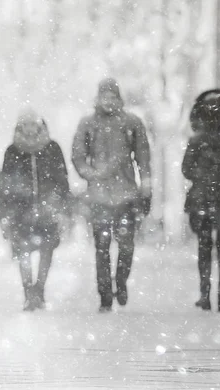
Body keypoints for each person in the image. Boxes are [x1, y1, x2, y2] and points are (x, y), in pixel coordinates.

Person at [71, 78, 151, 313]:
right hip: (99, 196)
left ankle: (122, 281)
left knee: (126, 245)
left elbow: (143, 156)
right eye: (104, 96)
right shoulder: (88, 123)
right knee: (102, 246)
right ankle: (105, 293)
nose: (108, 101)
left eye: (112, 96)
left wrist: (145, 183)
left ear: (119, 98)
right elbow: (78, 155)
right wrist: (90, 174)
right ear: (98, 98)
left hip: (126, 194)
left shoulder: (132, 122)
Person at [0, 108, 70, 311]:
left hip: (48, 210)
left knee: (47, 251)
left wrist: (63, 206)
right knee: (23, 253)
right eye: (25, 125)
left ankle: (40, 289)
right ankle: (28, 292)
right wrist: (4, 211)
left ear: (40, 126)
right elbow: (5, 185)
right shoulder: (12, 151)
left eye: (33, 125)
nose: (30, 129)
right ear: (20, 127)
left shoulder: (52, 148)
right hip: (21, 212)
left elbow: (62, 180)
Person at [182, 89, 220, 312]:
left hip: (203, 199)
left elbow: (186, 169)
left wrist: (203, 175)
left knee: (205, 248)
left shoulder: (198, 140)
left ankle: (205, 294)